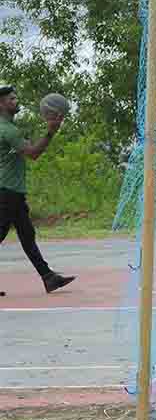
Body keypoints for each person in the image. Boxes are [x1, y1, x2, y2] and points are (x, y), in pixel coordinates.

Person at [0, 86, 76, 295]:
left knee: (27, 234)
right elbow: (33, 153)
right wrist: (51, 132)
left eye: (16, 97)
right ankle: (48, 277)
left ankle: (48, 278)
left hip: (11, 191)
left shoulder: (9, 128)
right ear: (1, 104)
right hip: (6, 192)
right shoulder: (7, 130)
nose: (16, 100)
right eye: (11, 99)